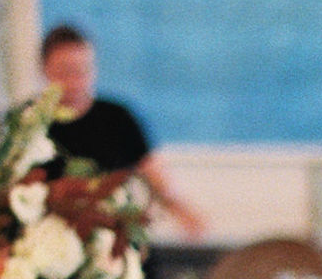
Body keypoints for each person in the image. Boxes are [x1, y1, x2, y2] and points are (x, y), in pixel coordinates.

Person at [35, 22, 209, 239]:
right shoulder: (28, 124)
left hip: (114, 238)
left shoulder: (118, 118)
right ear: (44, 69)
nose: (75, 81)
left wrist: (183, 212)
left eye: (83, 70)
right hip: (49, 240)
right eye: (66, 71)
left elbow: (155, 178)